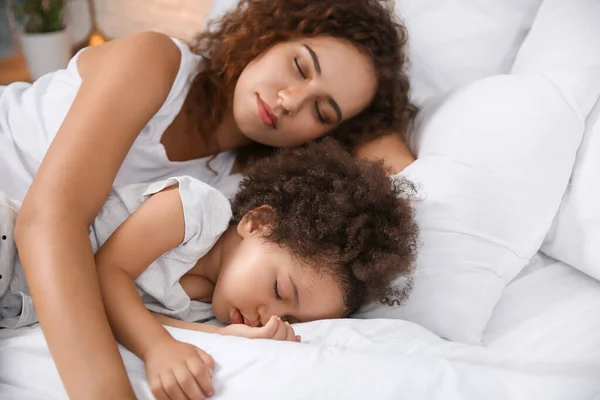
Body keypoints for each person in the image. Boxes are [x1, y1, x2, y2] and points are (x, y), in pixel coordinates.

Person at [0, 0, 417, 396]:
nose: (289, 101)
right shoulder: (154, 62)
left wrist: (373, 127)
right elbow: (48, 220)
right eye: (298, 66)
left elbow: (395, 172)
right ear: (270, 35)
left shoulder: (236, 187)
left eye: (322, 112)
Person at [0, 140, 419, 399]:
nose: (269, 315)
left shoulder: (204, 309)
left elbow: (130, 317)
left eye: (288, 318)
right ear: (258, 222)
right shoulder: (195, 210)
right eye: (278, 288)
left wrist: (229, 337)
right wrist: (157, 349)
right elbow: (107, 275)